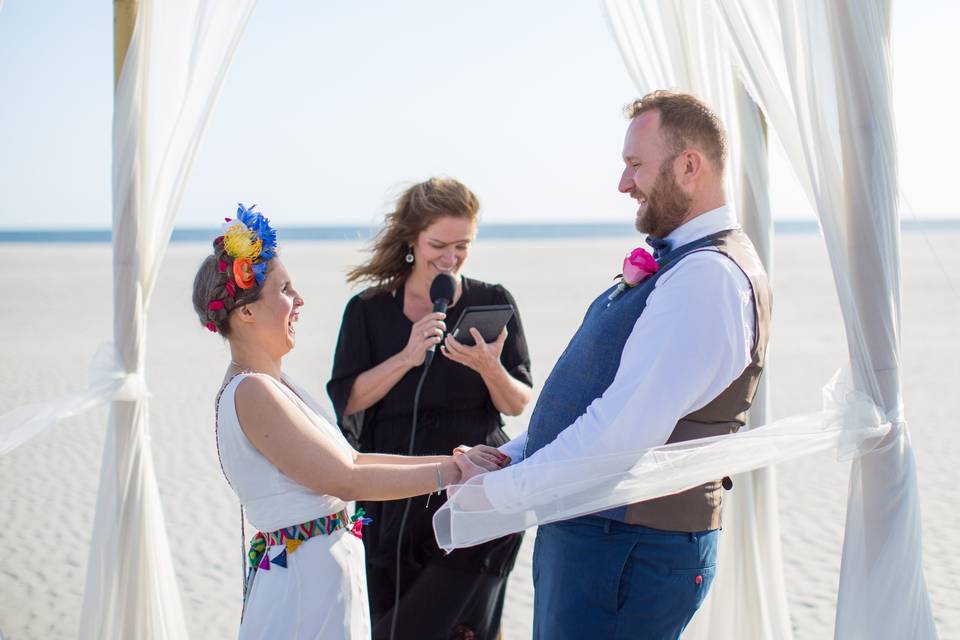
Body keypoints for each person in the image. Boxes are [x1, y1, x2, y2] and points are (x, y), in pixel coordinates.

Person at [462, 91, 773, 639]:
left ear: (688, 166)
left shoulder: (710, 277)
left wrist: (497, 496)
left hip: (629, 547)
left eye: (635, 166)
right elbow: (599, 391)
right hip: (603, 538)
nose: (623, 184)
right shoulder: (682, 261)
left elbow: (621, 433)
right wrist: (514, 456)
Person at [193, 204, 508, 640]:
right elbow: (345, 480)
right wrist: (453, 473)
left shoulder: (276, 384)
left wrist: (457, 458)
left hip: (324, 574)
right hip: (303, 586)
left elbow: (354, 460)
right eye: (285, 290)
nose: (299, 301)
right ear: (245, 312)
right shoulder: (252, 391)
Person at [327, 178, 533, 640]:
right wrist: (405, 357)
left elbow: (517, 402)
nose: (451, 257)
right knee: (390, 613)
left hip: (474, 493)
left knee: (463, 628)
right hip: (393, 492)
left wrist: (489, 368)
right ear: (411, 240)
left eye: (463, 245)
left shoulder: (493, 301)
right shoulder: (367, 310)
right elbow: (347, 399)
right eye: (438, 244)